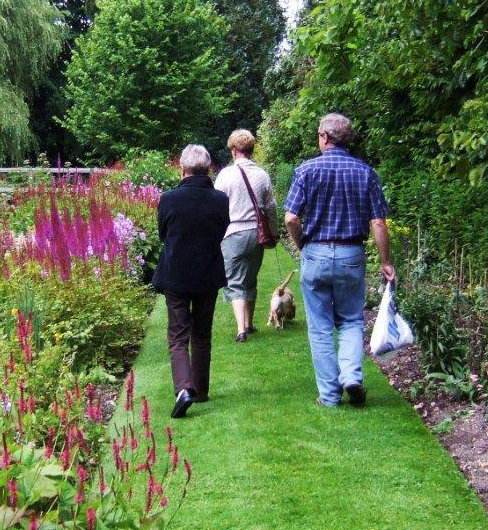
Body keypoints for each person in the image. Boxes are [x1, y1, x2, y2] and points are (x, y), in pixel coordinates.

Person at [284, 113, 395, 408]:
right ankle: (352, 376)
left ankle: (330, 396)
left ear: (324, 137)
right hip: (351, 254)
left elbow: (291, 218)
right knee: (351, 319)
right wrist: (386, 261)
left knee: (320, 327)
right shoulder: (365, 172)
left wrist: (302, 243)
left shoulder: (306, 170)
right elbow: (378, 222)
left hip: (316, 252)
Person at [152, 144, 230, 418]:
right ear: (208, 169)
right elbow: (221, 231)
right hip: (207, 272)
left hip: (176, 274)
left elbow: (163, 233)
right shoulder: (220, 199)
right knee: (202, 333)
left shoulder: (169, 199)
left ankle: (184, 388)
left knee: (178, 335)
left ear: (183, 168)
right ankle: (201, 389)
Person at [214, 129, 278, 342]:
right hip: (256, 233)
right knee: (250, 278)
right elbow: (271, 207)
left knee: (235, 281)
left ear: (234, 150)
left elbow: (216, 206)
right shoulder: (262, 175)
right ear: (251, 150)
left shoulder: (226, 175)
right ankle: (249, 324)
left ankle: (241, 330)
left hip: (233, 232)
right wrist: (274, 232)